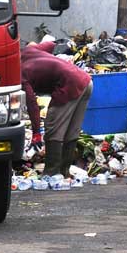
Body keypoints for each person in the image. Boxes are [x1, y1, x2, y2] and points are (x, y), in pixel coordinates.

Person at [21, 41, 93, 177]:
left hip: (69, 84)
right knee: (72, 130)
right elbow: (50, 44)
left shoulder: (19, 73)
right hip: (86, 81)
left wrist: (36, 133)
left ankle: (50, 173)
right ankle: (64, 172)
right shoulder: (28, 50)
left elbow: (32, 104)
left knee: (53, 127)